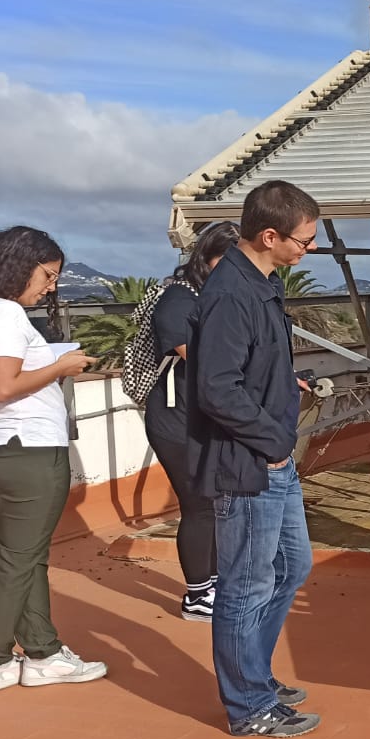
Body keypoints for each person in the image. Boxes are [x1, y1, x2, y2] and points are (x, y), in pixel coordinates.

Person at [186, 182, 321, 738]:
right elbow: (217, 388)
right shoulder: (231, 294)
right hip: (248, 463)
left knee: (291, 568)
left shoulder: (262, 284)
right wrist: (272, 443)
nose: (309, 249)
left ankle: (255, 676)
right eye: (304, 241)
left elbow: (251, 369)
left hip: (271, 457)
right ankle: (248, 705)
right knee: (245, 584)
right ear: (270, 236)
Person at [0, 227, 107, 693]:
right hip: (27, 449)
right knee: (17, 560)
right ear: (20, 265)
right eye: (48, 275)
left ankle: (43, 653)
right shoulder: (4, 313)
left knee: (26, 554)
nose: (51, 287)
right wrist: (60, 366)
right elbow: (2, 387)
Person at [142, 221, 241, 623]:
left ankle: (213, 584)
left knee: (214, 503)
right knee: (199, 504)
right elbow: (203, 359)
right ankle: (198, 595)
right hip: (176, 420)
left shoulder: (213, 296)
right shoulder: (179, 299)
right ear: (205, 257)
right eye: (226, 261)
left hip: (200, 419)